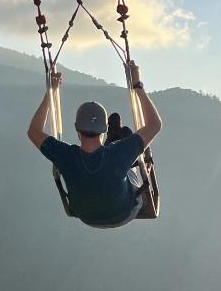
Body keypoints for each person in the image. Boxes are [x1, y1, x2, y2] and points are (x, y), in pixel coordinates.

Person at [27, 61, 162, 228]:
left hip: (86, 216)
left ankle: (116, 136)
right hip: (124, 212)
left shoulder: (65, 156)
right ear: (103, 129)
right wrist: (137, 85)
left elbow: (33, 131)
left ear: (77, 128)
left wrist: (50, 93)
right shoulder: (118, 154)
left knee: (123, 152)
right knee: (128, 147)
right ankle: (117, 136)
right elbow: (154, 125)